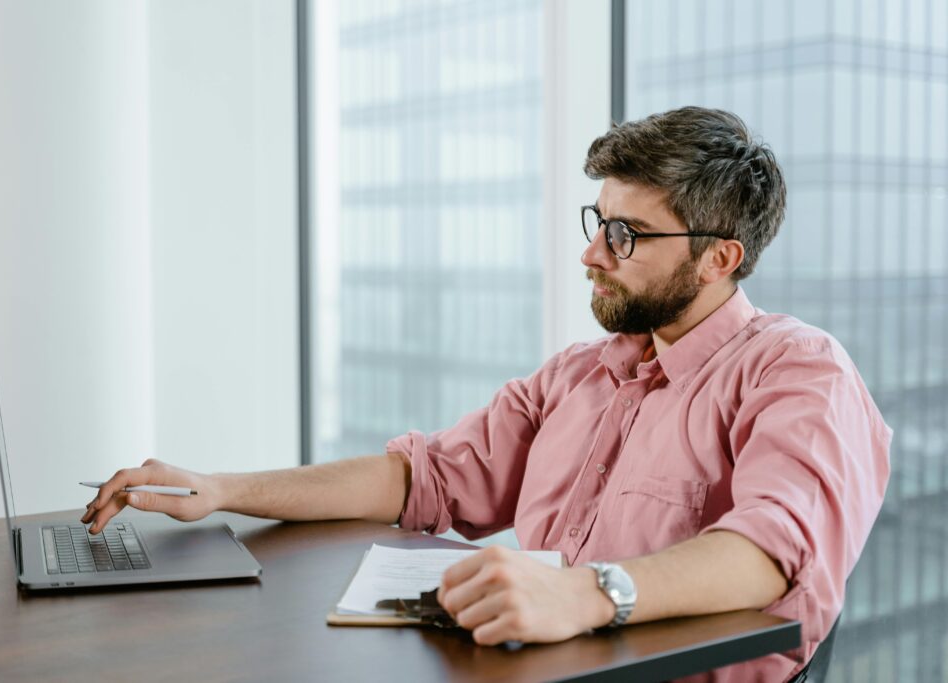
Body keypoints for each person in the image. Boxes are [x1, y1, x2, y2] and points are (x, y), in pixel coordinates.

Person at [83, 107, 890, 681]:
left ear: (718, 259)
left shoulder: (798, 372)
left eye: (625, 234)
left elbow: (767, 553)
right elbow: (424, 475)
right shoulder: (580, 372)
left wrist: (579, 594)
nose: (591, 253)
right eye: (597, 220)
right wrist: (224, 489)